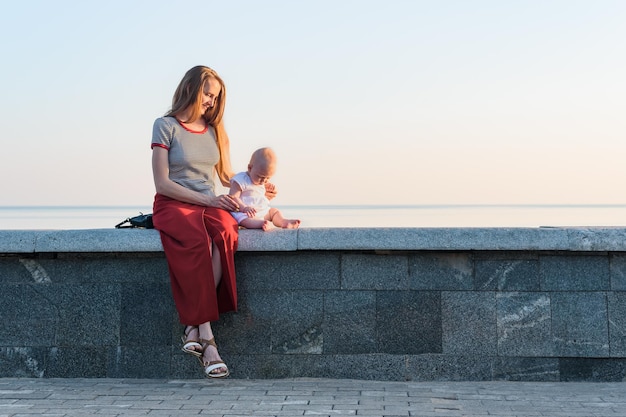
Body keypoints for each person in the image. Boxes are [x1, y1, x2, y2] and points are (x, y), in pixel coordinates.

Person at [150, 65, 276, 378]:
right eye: (208, 94)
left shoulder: (214, 130)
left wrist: (258, 185)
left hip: (209, 205)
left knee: (227, 231)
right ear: (191, 88)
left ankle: (192, 327)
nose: (211, 101)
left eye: (216, 97)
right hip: (174, 204)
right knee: (198, 241)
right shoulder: (165, 126)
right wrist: (209, 200)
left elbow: (225, 176)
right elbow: (162, 183)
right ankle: (208, 340)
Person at [229, 147, 301, 231]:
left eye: (267, 178)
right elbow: (233, 198)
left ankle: (283, 222)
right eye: (260, 176)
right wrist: (244, 208)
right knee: (244, 220)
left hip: (261, 211)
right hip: (245, 213)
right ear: (250, 168)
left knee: (274, 212)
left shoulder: (260, 181)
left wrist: (269, 189)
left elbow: (258, 197)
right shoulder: (241, 179)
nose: (263, 181)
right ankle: (261, 224)